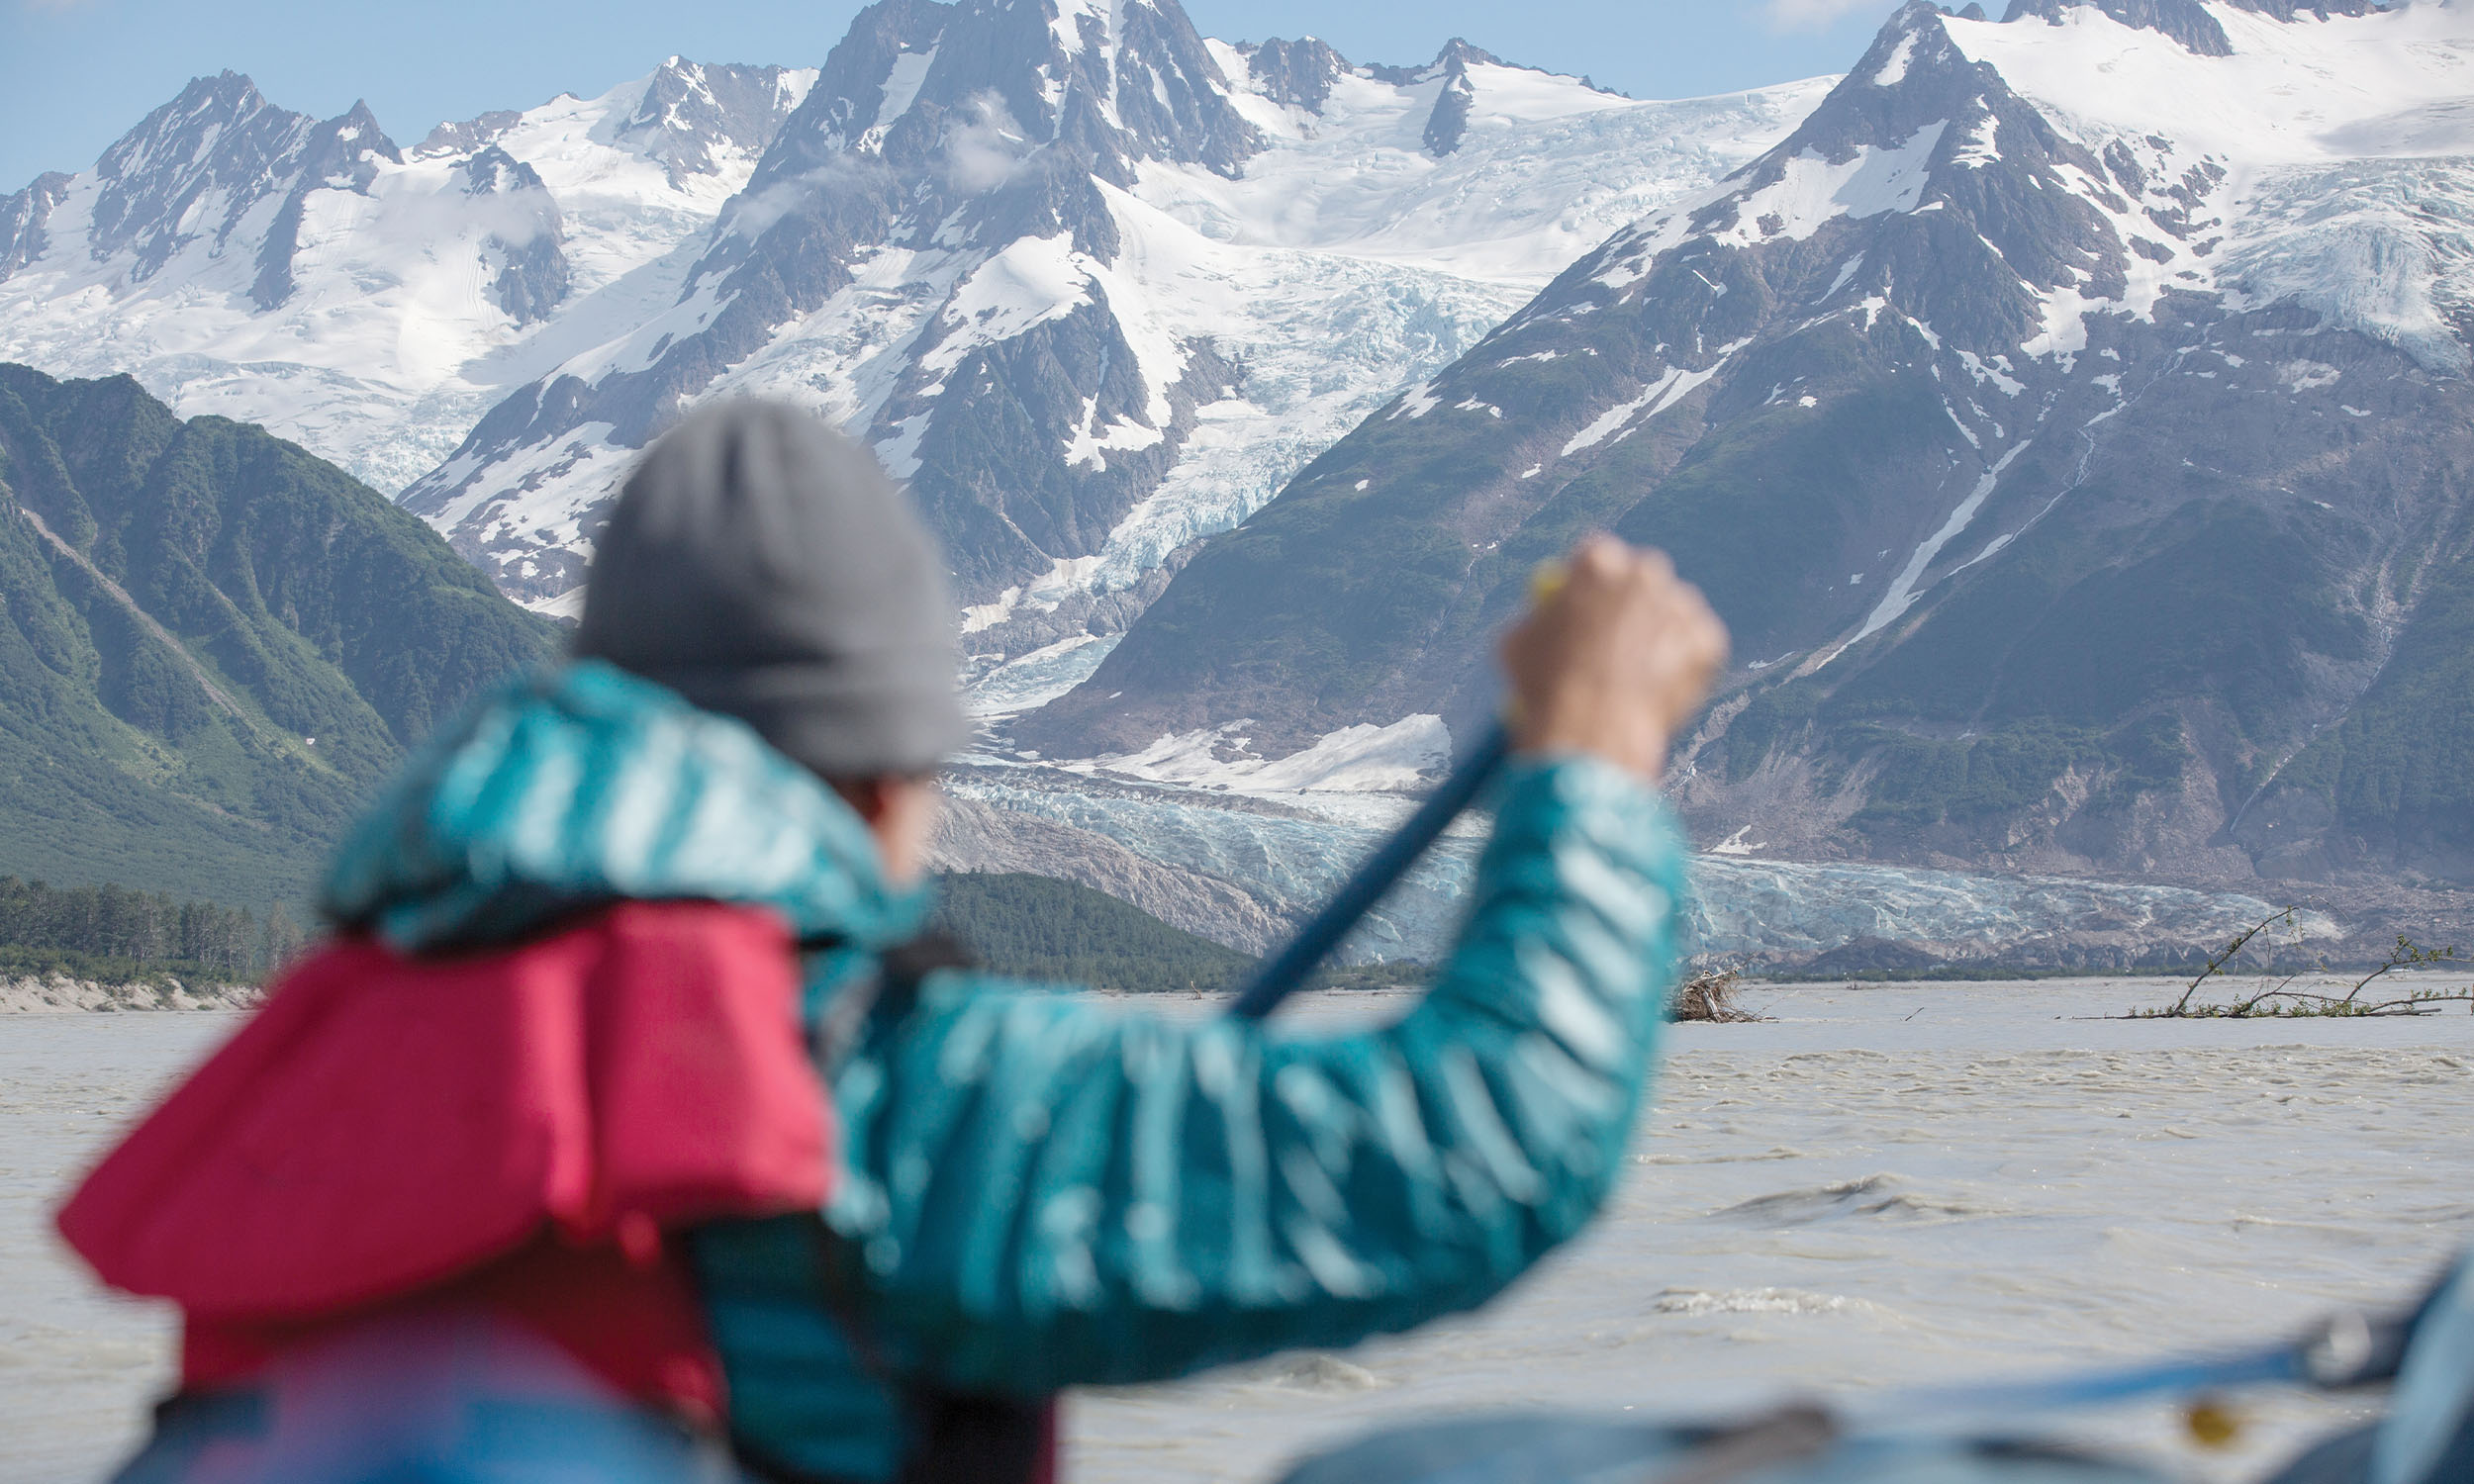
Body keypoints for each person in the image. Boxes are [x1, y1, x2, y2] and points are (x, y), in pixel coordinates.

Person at [58, 399, 1729, 1484]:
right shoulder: (869, 1086)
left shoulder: (339, 1039)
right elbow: (1490, 1144)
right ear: (883, 777)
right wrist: (1591, 756)